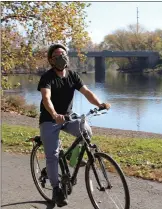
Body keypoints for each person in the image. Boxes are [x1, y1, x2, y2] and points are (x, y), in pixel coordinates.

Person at [37, 43, 110, 207]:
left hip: (68, 118)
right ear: (51, 60)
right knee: (53, 155)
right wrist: (54, 114)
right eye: (56, 55)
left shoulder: (73, 76)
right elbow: (46, 98)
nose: (61, 57)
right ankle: (56, 189)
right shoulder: (47, 77)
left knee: (86, 130)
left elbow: (87, 93)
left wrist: (100, 104)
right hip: (50, 120)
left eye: (63, 54)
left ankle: (72, 156)